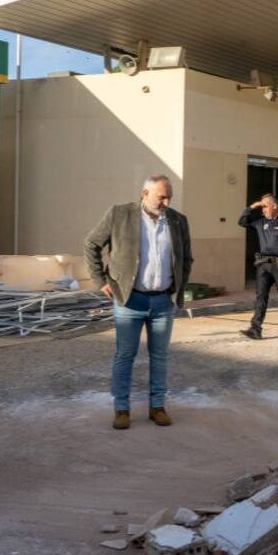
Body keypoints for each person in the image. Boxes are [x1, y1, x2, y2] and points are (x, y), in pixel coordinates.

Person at [84, 175, 192, 430]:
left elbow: (186, 258)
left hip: (163, 301)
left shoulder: (178, 220)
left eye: (169, 197)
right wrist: (100, 280)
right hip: (129, 300)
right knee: (125, 355)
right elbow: (91, 244)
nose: (166, 202)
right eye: (161, 197)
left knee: (160, 356)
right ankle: (121, 409)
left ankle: (158, 406)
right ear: (145, 193)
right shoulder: (119, 214)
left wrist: (179, 287)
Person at [238, 194, 278, 340]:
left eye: (265, 206)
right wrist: (252, 206)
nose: (263, 210)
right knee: (261, 296)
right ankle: (255, 329)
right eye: (261, 207)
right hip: (264, 265)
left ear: (274, 206)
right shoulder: (261, 222)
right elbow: (242, 222)